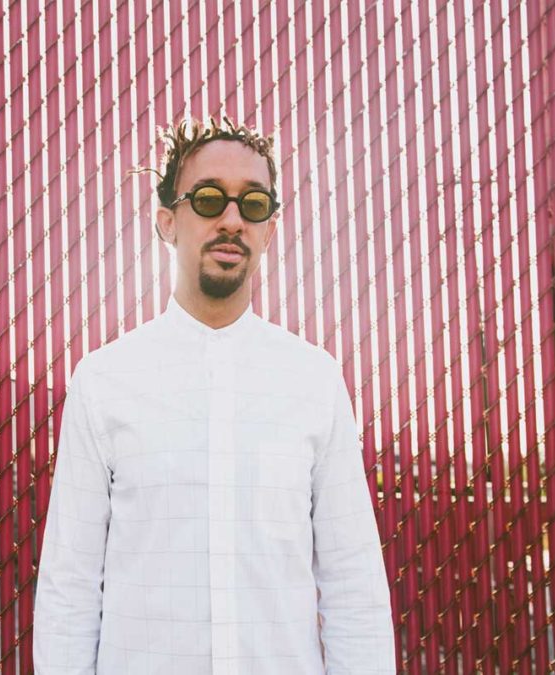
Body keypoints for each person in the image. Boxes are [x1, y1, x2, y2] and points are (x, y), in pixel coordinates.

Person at [33, 116, 396, 674]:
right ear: (167, 222)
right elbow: (70, 587)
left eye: (253, 204)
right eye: (208, 199)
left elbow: (353, 584)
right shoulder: (104, 382)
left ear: (270, 230)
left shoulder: (314, 382)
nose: (232, 219)